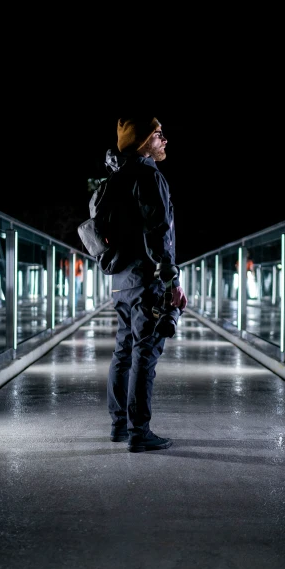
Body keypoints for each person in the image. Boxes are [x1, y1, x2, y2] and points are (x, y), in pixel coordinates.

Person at [105, 117, 187, 453]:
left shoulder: (115, 178)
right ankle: (140, 431)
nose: (165, 140)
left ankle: (119, 425)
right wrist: (171, 280)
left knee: (123, 351)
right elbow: (159, 233)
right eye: (158, 135)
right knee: (145, 352)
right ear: (143, 143)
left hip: (121, 281)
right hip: (147, 280)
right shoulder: (150, 176)